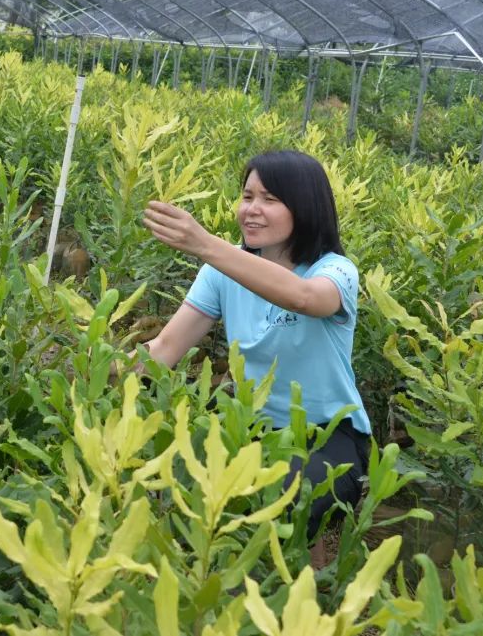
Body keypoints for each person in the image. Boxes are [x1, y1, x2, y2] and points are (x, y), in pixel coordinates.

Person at [140, 149, 370, 560]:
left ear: (305, 207)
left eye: (270, 199)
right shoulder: (220, 270)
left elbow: (303, 298)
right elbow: (166, 348)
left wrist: (206, 245)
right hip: (251, 424)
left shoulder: (335, 271)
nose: (252, 210)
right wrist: (96, 372)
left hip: (328, 433)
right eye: (247, 196)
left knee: (291, 504)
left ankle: (305, 608)